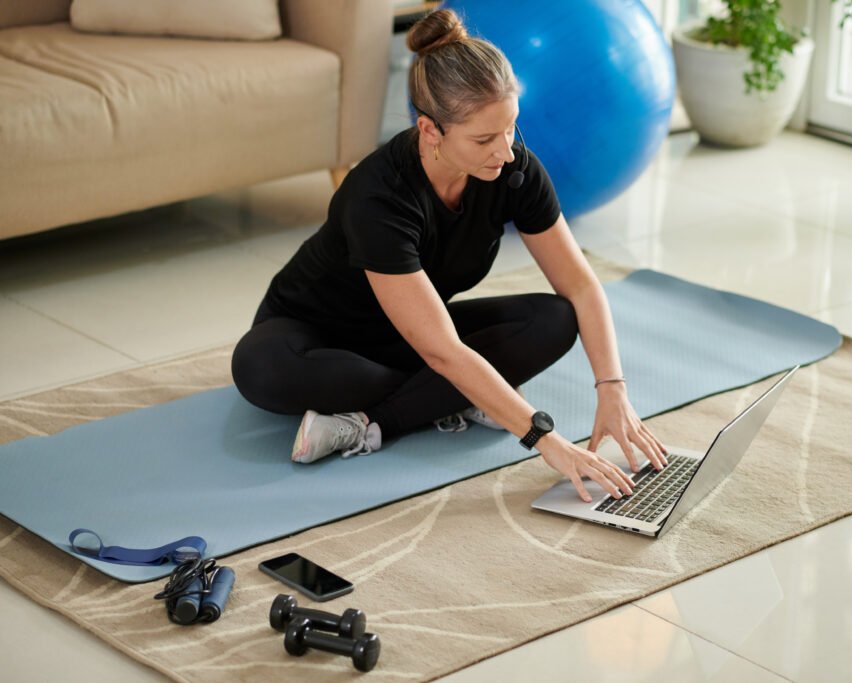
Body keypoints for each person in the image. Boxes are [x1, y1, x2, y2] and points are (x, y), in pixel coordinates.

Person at [231, 9, 667, 503]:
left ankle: (370, 424)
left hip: (411, 336)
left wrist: (613, 388)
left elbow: (582, 286)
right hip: (316, 337)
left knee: (554, 319)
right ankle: (447, 397)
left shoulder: (513, 169)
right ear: (430, 130)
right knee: (259, 368)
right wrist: (545, 438)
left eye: (511, 128)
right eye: (483, 139)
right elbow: (441, 349)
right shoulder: (378, 195)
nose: (505, 152)